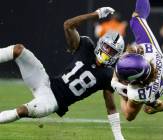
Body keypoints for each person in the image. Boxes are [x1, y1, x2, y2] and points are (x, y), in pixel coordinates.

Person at [0, 7, 125, 140]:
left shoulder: (108, 75)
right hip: (46, 82)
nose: (106, 52)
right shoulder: (86, 46)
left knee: (22, 111)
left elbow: (111, 107)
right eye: (106, 47)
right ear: (101, 43)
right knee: (18, 50)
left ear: (116, 55)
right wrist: (96, 14)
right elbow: (68, 25)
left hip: (52, 101)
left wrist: (118, 136)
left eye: (111, 51)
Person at [111, 0, 163, 121]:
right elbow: (133, 53)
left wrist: (117, 85)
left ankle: (153, 103)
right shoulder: (148, 51)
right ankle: (153, 103)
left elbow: (129, 116)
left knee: (129, 113)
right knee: (136, 19)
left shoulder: (138, 92)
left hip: (153, 86)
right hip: (158, 67)